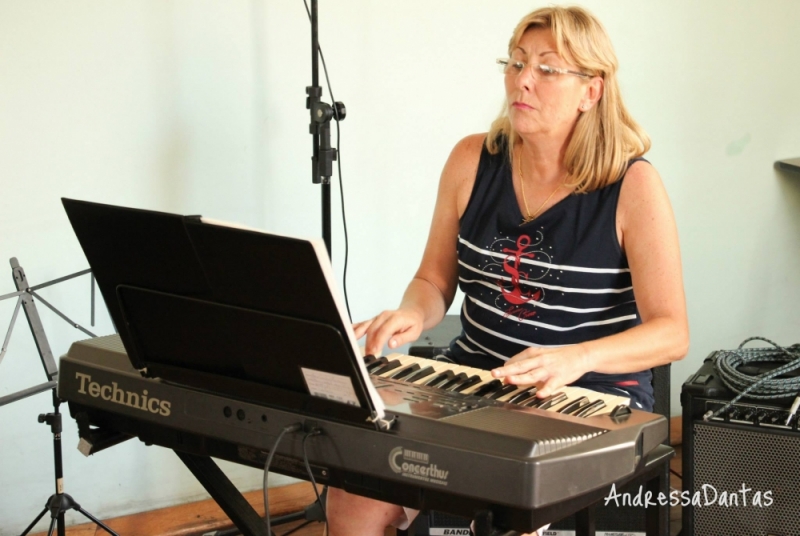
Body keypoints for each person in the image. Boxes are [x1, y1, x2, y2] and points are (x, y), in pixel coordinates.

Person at [327, 5, 689, 536]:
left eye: (547, 68)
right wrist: (412, 312)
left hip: (586, 390)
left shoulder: (632, 187)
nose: (523, 80)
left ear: (592, 90)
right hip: (477, 375)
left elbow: (672, 332)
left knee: (514, 501)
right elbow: (434, 281)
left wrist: (575, 358)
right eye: (516, 62)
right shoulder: (472, 161)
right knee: (353, 491)